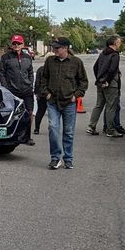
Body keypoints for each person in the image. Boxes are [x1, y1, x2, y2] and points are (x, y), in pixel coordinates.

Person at [36, 37, 88, 169]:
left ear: (65, 48)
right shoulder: (49, 61)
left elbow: (83, 81)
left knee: (68, 132)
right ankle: (55, 158)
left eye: (57, 47)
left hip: (69, 102)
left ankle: (68, 158)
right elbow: (43, 78)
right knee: (53, 128)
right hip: (53, 101)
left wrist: (76, 96)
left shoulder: (76, 62)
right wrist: (46, 93)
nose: (54, 50)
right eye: (53, 47)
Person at [0, 34, 36, 146]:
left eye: (18, 43)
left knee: (29, 113)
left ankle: (27, 137)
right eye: (14, 43)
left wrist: (30, 83)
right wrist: (5, 87)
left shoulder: (27, 57)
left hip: (27, 90)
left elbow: (30, 72)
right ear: (11, 44)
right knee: (12, 114)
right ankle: (11, 135)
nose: (16, 45)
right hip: (12, 91)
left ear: (22, 44)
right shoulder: (6, 57)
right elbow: (1, 73)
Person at [87, 35, 124, 137]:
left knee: (98, 105)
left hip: (100, 83)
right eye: (119, 42)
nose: (120, 43)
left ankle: (91, 126)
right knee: (111, 106)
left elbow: (95, 67)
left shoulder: (103, 53)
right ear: (115, 43)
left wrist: (99, 79)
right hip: (111, 84)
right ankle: (110, 130)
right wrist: (107, 80)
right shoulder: (115, 55)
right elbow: (112, 70)